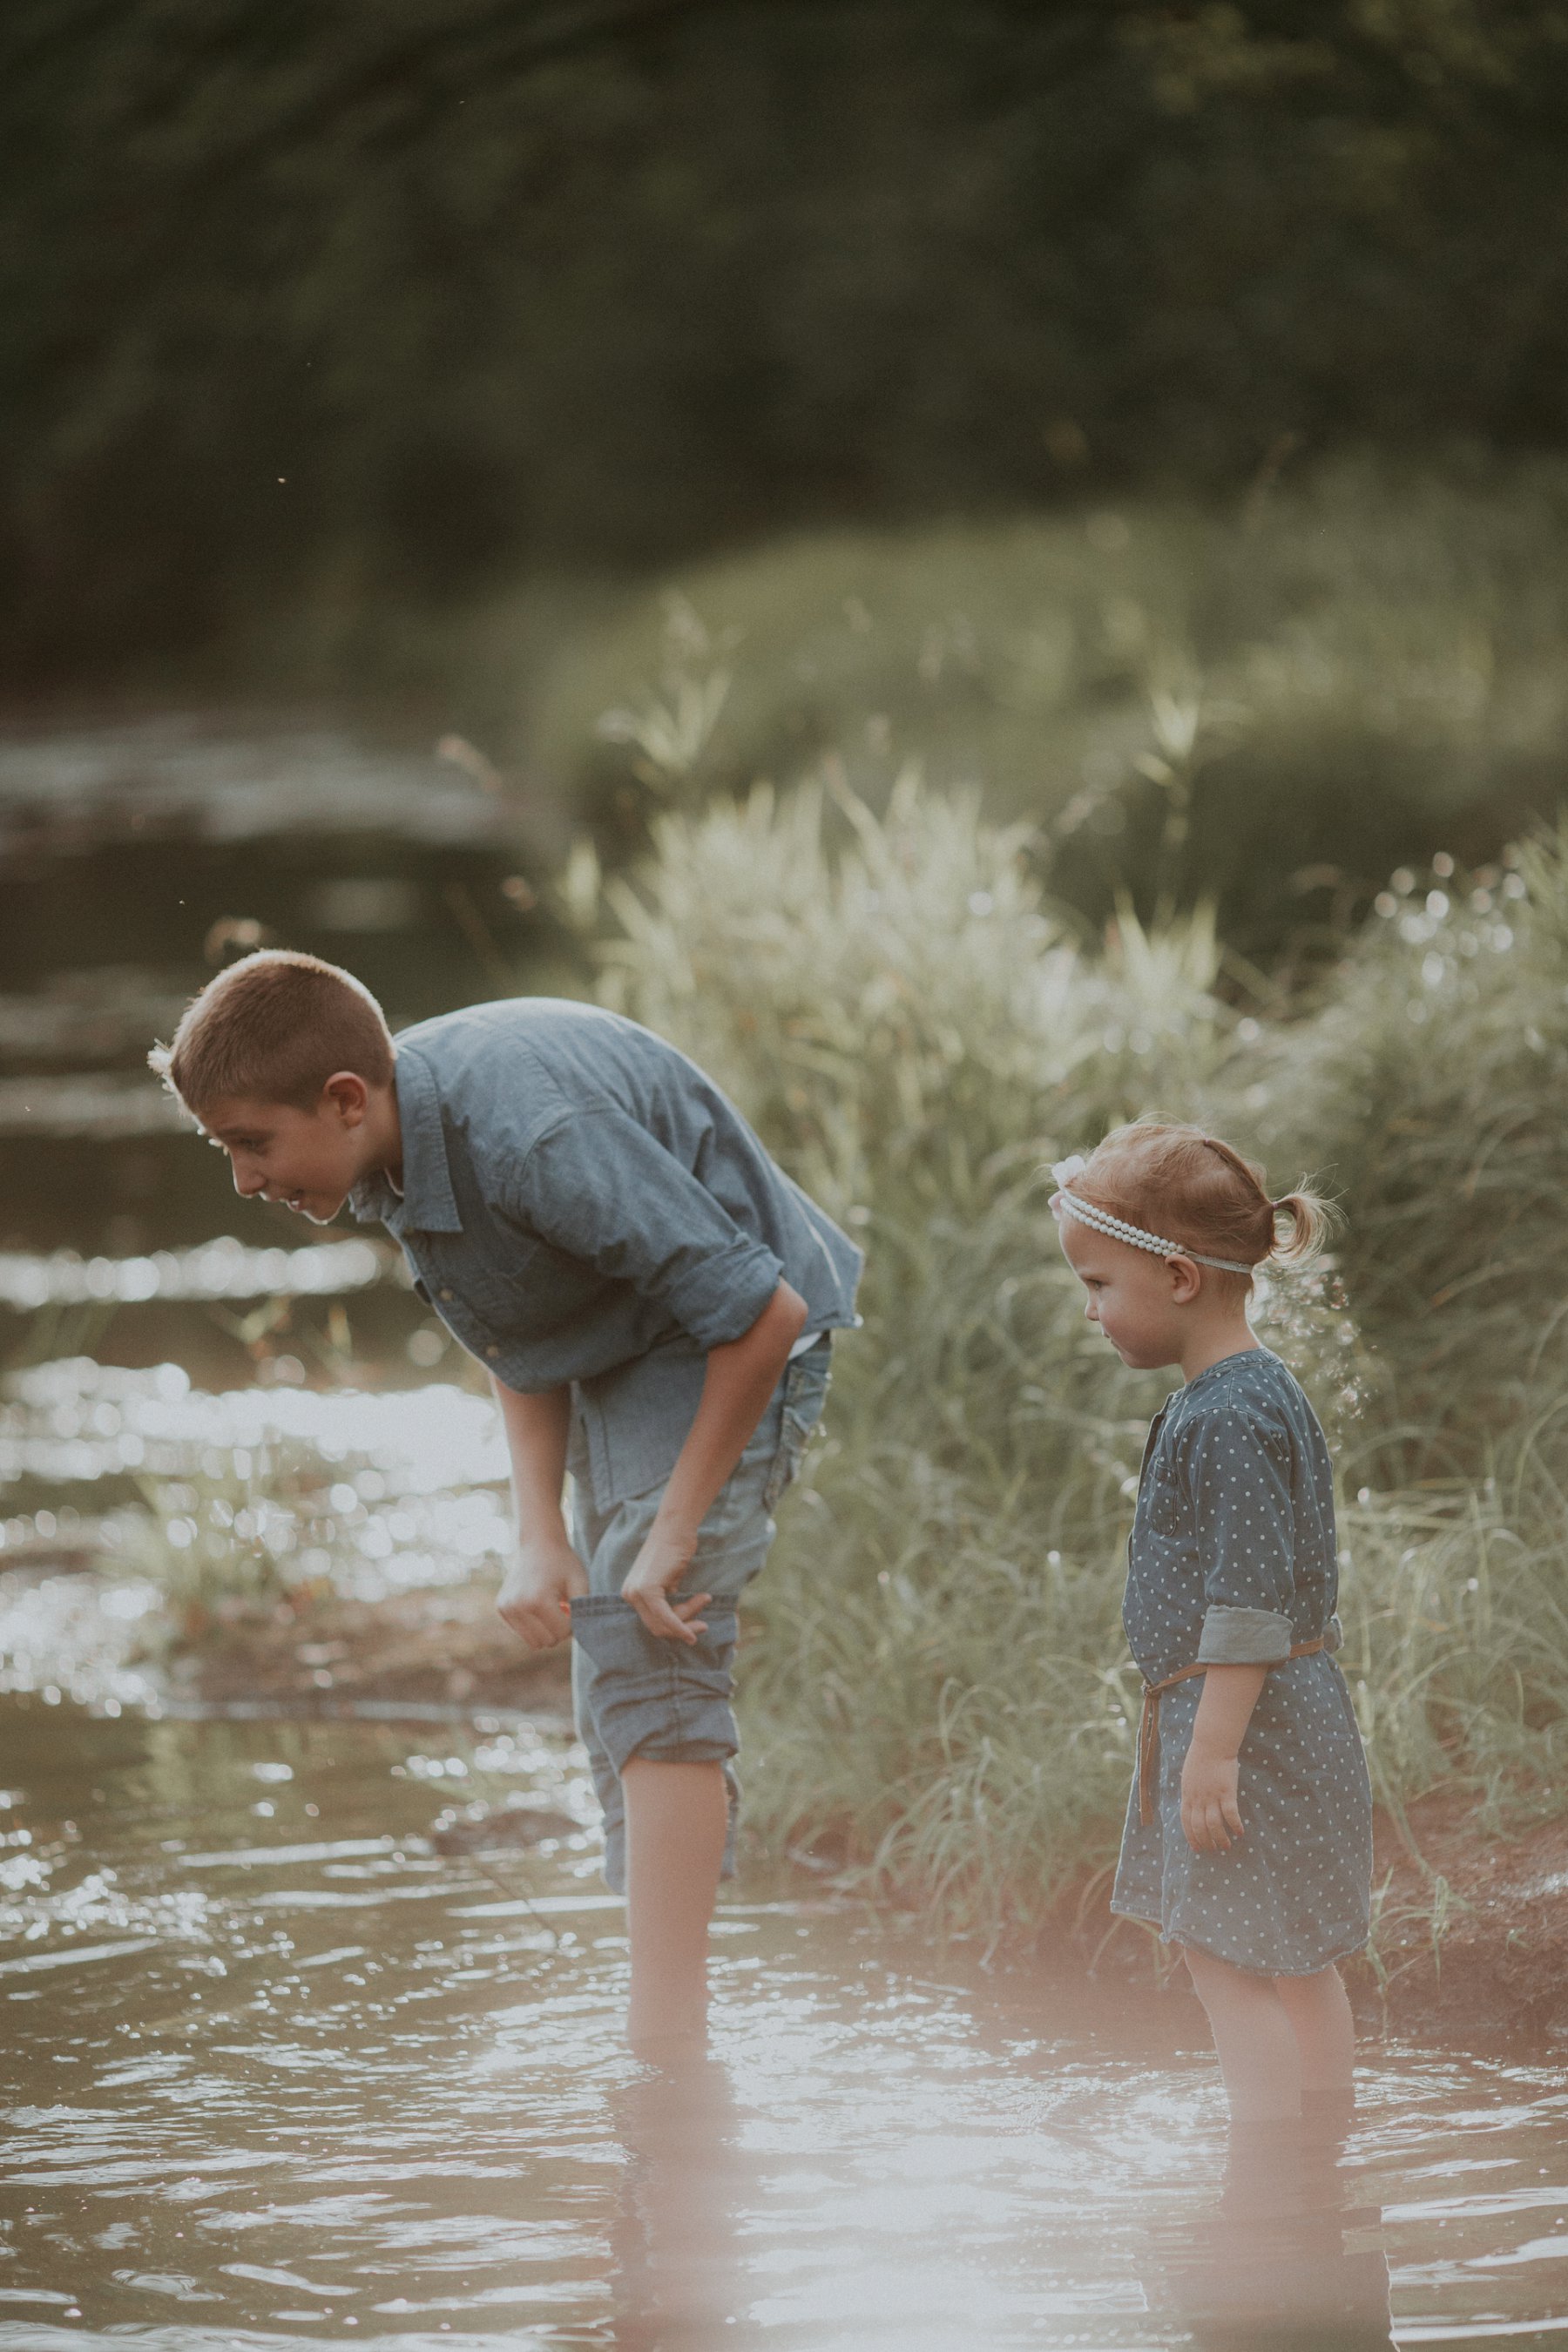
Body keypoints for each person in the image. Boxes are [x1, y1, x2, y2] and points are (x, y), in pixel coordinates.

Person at [149, 950, 861, 2049]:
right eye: (224, 1149)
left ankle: (666, 2040)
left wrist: (676, 1527)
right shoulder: (380, 1155)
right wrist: (536, 1533)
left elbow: (758, 1312)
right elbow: (513, 1330)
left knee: (650, 1639)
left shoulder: (529, 1138)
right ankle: (664, 2012)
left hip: (737, 1324)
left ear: (343, 1100)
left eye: (251, 1143)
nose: (244, 1181)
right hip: (625, 1330)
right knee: (605, 1658)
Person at [1051, 1119, 1371, 2132]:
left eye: (1100, 1284)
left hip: (1247, 1722)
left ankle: (1268, 2178)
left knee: (1224, 1958)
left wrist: (1213, 1752)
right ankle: (1322, 2147)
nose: (1091, 1312)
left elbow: (1248, 1599)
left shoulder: (1225, 1415)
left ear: (1180, 1277)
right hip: (1286, 1710)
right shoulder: (1255, 1392)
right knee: (1298, 1954)